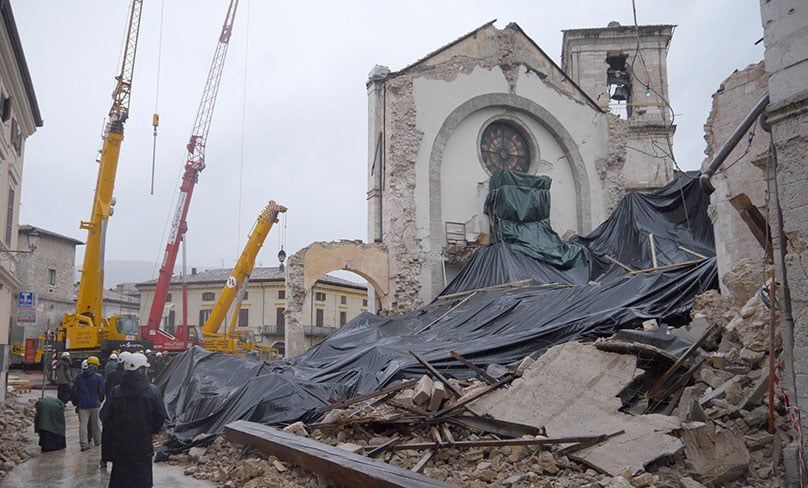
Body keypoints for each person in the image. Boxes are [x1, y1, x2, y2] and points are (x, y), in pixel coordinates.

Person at [101, 352, 167, 488]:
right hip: (142, 446)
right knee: (142, 481)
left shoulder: (117, 392)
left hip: (121, 447)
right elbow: (161, 416)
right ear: (141, 369)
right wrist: (150, 429)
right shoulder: (153, 392)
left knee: (120, 481)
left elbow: (105, 416)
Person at [101, 351, 131, 467]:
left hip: (111, 408)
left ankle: (104, 459)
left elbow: (106, 391)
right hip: (123, 411)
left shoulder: (111, 376)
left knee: (107, 436)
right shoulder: (127, 377)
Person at [73, 356, 105, 451]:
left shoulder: (78, 378)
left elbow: (75, 391)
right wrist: (100, 400)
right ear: (94, 366)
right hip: (94, 404)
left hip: (82, 405)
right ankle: (98, 442)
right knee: (96, 424)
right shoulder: (98, 377)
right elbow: (102, 391)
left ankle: (83, 444)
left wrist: (76, 403)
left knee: (83, 425)